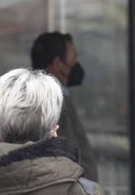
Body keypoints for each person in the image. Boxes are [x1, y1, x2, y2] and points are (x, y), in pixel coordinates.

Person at [31, 32, 95, 178]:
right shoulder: (54, 102)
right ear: (57, 64)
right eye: (74, 59)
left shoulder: (45, 97)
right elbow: (66, 159)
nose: (76, 65)